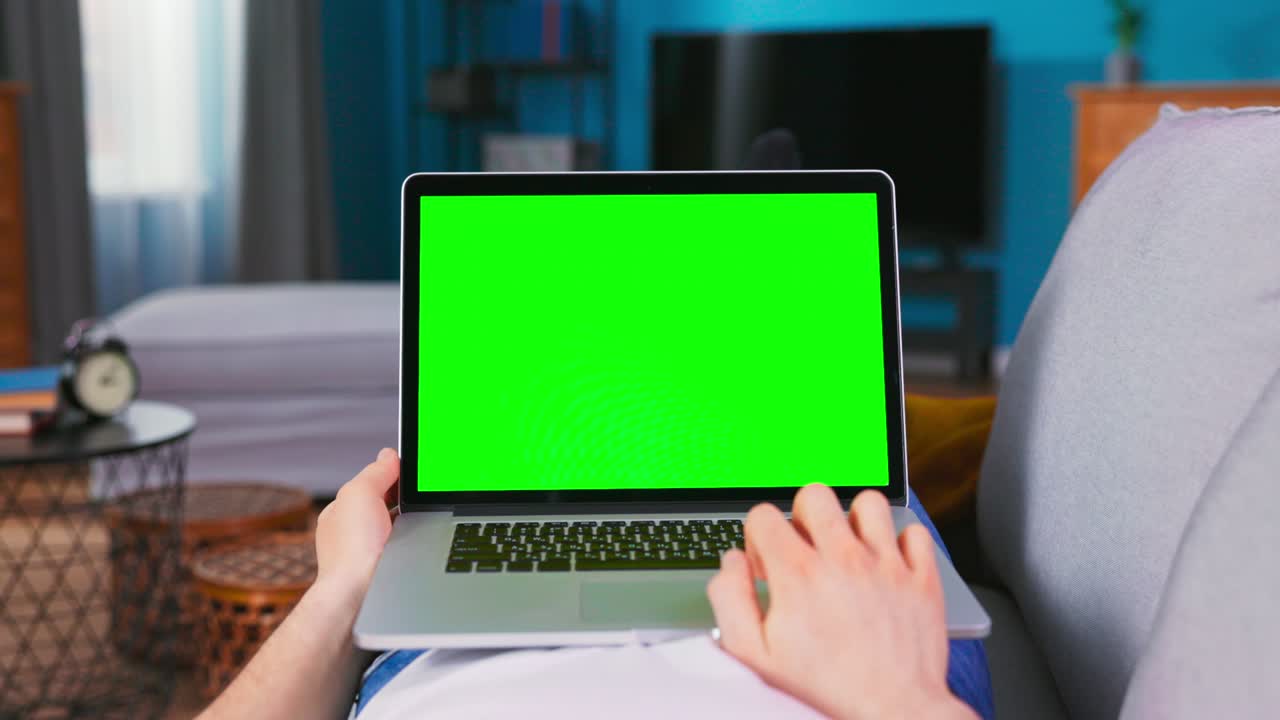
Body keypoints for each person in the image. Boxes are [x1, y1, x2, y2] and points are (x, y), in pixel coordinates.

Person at [197, 449, 980, 719]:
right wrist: (900, 702)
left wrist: (344, 590)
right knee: (860, 488)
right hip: (845, 660)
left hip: (463, 657)